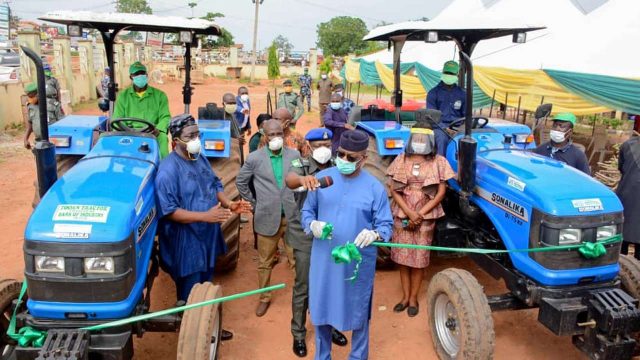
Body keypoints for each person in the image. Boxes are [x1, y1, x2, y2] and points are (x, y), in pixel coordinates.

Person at [155, 114, 252, 339]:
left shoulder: (198, 156)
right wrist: (205, 216)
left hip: (206, 234)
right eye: (190, 136)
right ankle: (193, 337)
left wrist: (229, 203)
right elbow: (170, 211)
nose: (195, 139)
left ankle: (209, 326)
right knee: (190, 290)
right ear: (175, 141)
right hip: (185, 240)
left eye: (197, 134)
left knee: (206, 284)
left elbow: (214, 182)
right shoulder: (168, 171)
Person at [301, 130, 393, 360]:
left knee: (359, 313)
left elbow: (386, 226)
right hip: (324, 259)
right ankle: (323, 356)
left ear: (365, 159)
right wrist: (311, 224)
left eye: (352, 158)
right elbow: (306, 211)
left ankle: (358, 356)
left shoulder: (375, 188)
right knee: (321, 310)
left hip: (356, 264)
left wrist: (375, 234)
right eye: (341, 154)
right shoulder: (324, 179)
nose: (345, 160)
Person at [285, 128, 348, 357]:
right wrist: (303, 179)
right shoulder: (300, 165)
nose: (323, 147)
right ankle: (299, 334)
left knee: (331, 284)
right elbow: (290, 180)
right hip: (306, 238)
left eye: (327, 143)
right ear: (309, 146)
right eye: (318, 144)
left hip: (332, 236)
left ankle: (329, 327)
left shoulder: (338, 166)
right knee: (303, 286)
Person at [386, 124, 454, 317]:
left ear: (430, 142)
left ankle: (414, 298)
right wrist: (408, 212)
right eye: (416, 138)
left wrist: (420, 214)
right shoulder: (401, 159)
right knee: (402, 258)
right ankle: (405, 297)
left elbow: (441, 192)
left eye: (423, 140)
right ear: (410, 140)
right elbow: (394, 189)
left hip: (426, 215)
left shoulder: (439, 161)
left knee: (418, 259)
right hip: (403, 213)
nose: (419, 143)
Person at [236, 119, 300, 318]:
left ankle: (301, 297)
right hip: (266, 217)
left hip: (291, 217)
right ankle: (264, 297)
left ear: (284, 134)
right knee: (264, 262)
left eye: (278, 134)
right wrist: (254, 203)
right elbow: (241, 181)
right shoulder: (255, 158)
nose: (275, 138)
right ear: (264, 135)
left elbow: (300, 179)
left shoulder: (295, 155)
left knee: (297, 260)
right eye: (271, 135)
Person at [113, 61, 171, 158]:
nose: (140, 76)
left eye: (142, 73)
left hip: (152, 132)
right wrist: (124, 130)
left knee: (163, 139)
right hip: (129, 132)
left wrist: (159, 129)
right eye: (136, 74)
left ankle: (163, 169)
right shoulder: (123, 96)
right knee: (115, 145)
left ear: (146, 75)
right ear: (131, 77)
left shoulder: (160, 95)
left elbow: (165, 116)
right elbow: (117, 118)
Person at [426, 60, 466, 155]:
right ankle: (442, 165)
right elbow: (432, 117)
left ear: (457, 75)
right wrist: (445, 129)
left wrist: (461, 128)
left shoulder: (463, 94)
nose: (449, 75)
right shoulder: (433, 93)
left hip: (458, 128)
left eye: (452, 73)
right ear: (443, 73)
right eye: (447, 73)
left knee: (467, 141)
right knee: (442, 139)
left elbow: (467, 115)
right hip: (440, 127)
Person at [616, 133, 640, 260]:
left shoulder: (628, 145)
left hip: (626, 196)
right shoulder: (627, 145)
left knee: (621, 241)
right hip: (628, 197)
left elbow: (621, 168)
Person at [23, 83, 63, 149]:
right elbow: (30, 123)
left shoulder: (53, 104)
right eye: (29, 97)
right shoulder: (30, 107)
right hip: (38, 143)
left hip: (53, 142)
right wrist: (25, 139)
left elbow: (61, 123)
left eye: (32, 97)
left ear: (39, 94)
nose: (30, 99)